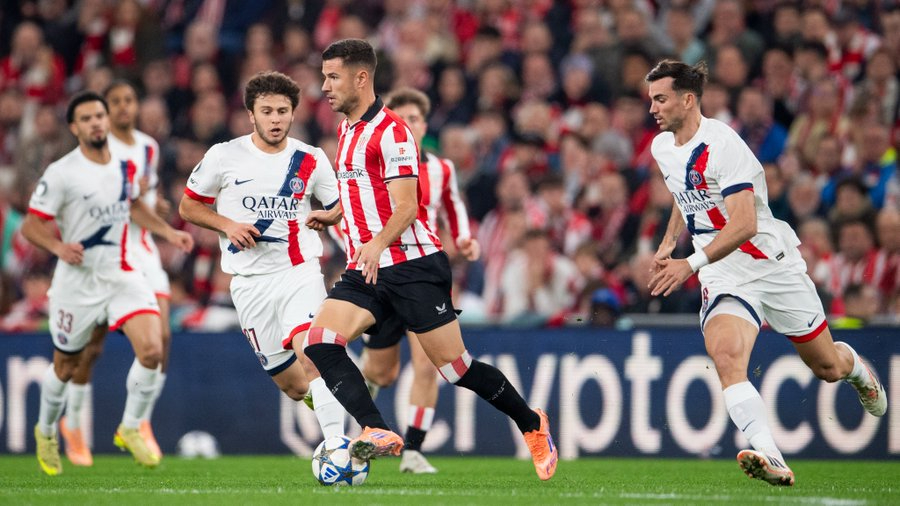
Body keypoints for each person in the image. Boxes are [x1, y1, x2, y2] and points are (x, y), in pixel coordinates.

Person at [306, 38, 557, 481]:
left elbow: (407, 206)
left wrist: (378, 243)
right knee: (321, 340)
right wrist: (334, 213)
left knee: (456, 369)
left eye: (332, 77)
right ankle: (377, 429)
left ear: (361, 77)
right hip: (367, 269)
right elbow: (361, 187)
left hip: (413, 267)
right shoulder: (346, 129)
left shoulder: (394, 131)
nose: (324, 86)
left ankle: (532, 424)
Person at [645, 60, 887, 487]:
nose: (653, 109)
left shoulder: (724, 146)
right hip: (723, 276)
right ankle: (769, 453)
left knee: (826, 366)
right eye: (651, 100)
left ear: (688, 99)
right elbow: (681, 193)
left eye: (660, 99)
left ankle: (856, 369)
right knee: (726, 357)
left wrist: (688, 264)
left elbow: (745, 225)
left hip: (770, 268)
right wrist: (669, 243)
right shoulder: (662, 146)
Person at [24, 91, 195, 475]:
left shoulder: (125, 164)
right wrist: (57, 246)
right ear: (75, 128)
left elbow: (133, 206)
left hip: (121, 274)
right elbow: (32, 223)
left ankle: (132, 426)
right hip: (77, 283)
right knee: (66, 366)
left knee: (153, 349)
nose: (97, 122)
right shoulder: (62, 172)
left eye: (99, 116)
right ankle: (47, 430)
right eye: (87, 118)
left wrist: (168, 232)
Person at [178, 70, 346, 445]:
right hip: (250, 284)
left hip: (299, 273)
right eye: (267, 111)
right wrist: (226, 225)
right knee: (293, 385)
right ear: (251, 115)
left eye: (283, 111)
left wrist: (333, 216)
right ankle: (341, 393)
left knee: (313, 352)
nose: (275, 119)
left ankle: (337, 444)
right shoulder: (223, 156)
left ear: (293, 113)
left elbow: (339, 209)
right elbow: (189, 206)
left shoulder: (311, 159)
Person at [359, 87, 480, 474]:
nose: (408, 124)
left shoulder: (442, 169)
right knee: (382, 372)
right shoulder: (374, 163)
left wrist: (463, 238)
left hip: (421, 273)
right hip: (381, 275)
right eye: (402, 118)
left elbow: (453, 206)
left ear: (424, 125)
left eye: (415, 118)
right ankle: (365, 425)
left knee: (429, 365)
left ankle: (412, 450)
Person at [58, 80, 171, 467]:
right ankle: (72, 424)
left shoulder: (148, 147)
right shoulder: (92, 151)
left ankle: (139, 423)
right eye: (115, 102)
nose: (123, 108)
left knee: (162, 339)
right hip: (105, 254)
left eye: (129, 101)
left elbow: (149, 199)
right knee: (90, 349)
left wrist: (159, 211)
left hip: (143, 250)